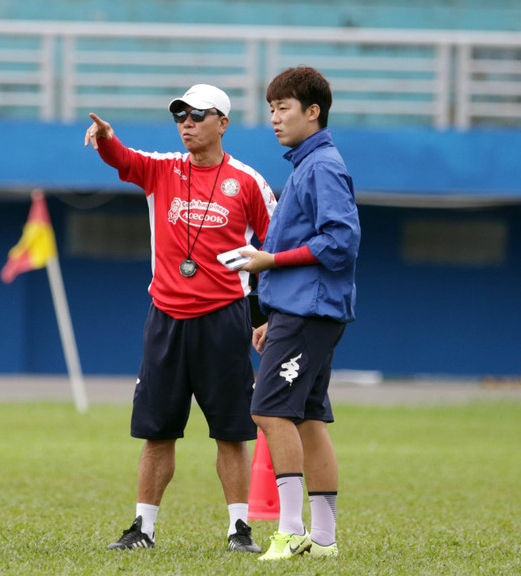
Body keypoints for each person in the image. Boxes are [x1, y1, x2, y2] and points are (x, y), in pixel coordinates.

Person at [84, 84, 277, 552]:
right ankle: (142, 530)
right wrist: (107, 138)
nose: (186, 123)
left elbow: (274, 249)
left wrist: (266, 315)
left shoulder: (248, 182)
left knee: (231, 432)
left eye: (197, 115)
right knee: (157, 431)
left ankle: (240, 530)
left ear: (223, 123)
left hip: (225, 320)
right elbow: (123, 161)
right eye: (180, 116)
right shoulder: (163, 169)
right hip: (166, 319)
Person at [239, 67, 361, 560]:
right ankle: (325, 540)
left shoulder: (321, 167)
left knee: (268, 410)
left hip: (310, 312)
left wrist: (270, 261)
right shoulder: (307, 165)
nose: (274, 118)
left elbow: (340, 241)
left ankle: (289, 531)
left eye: (283, 108)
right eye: (271, 108)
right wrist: (273, 313)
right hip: (303, 311)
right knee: (308, 419)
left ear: (313, 112)